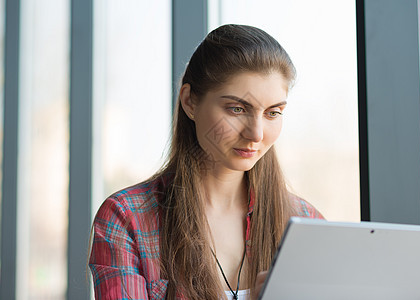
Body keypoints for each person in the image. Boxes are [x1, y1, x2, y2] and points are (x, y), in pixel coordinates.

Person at [88, 24, 324, 300]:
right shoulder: (128, 219)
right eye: (237, 109)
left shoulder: (305, 223)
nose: (256, 134)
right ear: (190, 102)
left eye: (273, 113)